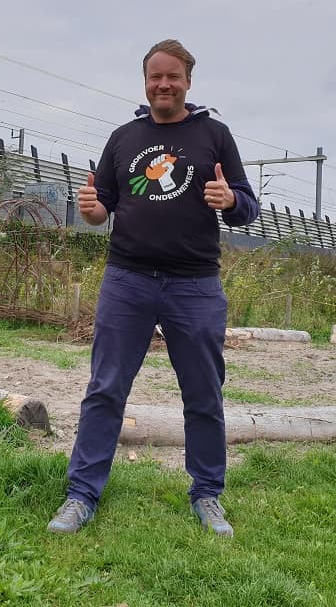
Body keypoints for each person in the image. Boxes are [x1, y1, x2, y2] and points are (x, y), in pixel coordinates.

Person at [47, 39, 259, 537]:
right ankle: (81, 495)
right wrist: (93, 211)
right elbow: (103, 206)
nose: (164, 84)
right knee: (105, 390)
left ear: (188, 80)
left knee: (204, 395)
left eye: (173, 76)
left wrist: (230, 199)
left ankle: (207, 494)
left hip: (195, 285)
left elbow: (249, 208)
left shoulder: (215, 135)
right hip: (128, 281)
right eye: (155, 77)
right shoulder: (124, 138)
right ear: (145, 82)